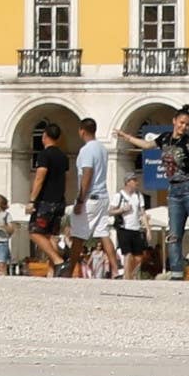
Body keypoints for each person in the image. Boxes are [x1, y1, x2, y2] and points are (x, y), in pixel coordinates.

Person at [120, 106, 189, 278]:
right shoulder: (165, 138)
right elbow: (148, 144)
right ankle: (177, 272)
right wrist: (127, 137)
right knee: (173, 233)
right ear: (174, 121)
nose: (184, 127)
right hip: (174, 189)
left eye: (187, 124)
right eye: (181, 122)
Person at [69, 117, 117, 278]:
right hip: (103, 196)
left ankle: (69, 270)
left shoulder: (86, 150)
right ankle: (116, 269)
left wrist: (80, 199)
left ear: (82, 131)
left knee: (77, 234)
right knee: (103, 232)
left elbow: (87, 173)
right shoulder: (102, 148)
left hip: (90, 197)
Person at [27, 122, 72, 272]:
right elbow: (66, 179)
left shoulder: (44, 155)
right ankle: (54, 272)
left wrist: (32, 200)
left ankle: (58, 261)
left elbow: (40, 177)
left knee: (34, 232)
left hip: (45, 201)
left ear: (44, 136)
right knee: (51, 236)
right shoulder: (63, 157)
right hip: (59, 201)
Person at [107, 178, 148, 278]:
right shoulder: (119, 196)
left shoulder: (138, 195)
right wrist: (122, 209)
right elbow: (110, 211)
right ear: (128, 182)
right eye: (134, 181)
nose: (137, 183)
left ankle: (130, 273)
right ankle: (127, 277)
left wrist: (148, 229)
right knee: (127, 254)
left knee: (138, 257)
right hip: (124, 228)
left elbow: (143, 213)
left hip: (136, 228)